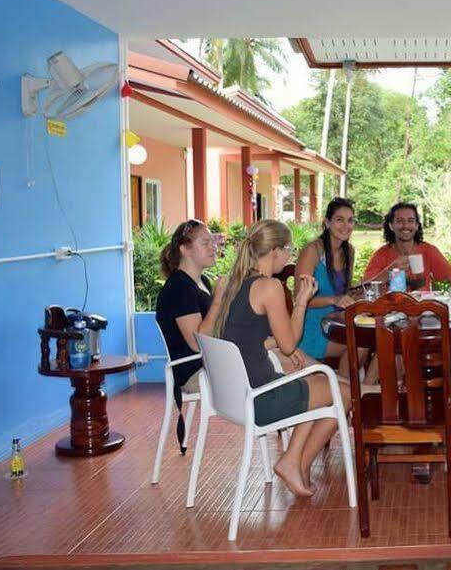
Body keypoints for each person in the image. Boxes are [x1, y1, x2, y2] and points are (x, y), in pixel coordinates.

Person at [200, 219, 351, 497]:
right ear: (275, 251)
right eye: (289, 250)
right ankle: (294, 462)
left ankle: (294, 463)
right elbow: (290, 342)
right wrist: (303, 300)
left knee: (314, 381)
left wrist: (275, 346)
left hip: (236, 396)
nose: (290, 256)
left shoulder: (234, 283)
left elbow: (239, 336)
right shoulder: (269, 287)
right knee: (342, 393)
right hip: (262, 398)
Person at [295, 197, 377, 384]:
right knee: (361, 344)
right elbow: (299, 299)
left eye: (350, 220)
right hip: (312, 326)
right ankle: (346, 393)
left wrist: (359, 294)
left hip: (338, 322)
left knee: (369, 339)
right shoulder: (313, 250)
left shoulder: (349, 251)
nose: (346, 225)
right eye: (339, 219)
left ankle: (355, 392)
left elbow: (344, 292)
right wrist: (333, 300)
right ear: (327, 222)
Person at [155, 219, 218, 447]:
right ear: (185, 249)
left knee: (274, 355)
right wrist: (220, 301)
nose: (214, 247)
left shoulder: (202, 282)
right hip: (193, 373)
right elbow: (196, 342)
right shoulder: (179, 289)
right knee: (270, 364)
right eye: (206, 242)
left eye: (213, 241)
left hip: (209, 363)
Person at [363, 202, 451, 290]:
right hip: (391, 311)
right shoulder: (381, 255)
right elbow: (364, 290)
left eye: (411, 221)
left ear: (417, 225)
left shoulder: (429, 251)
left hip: (423, 310)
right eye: (400, 221)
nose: (405, 226)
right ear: (391, 226)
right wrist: (389, 271)